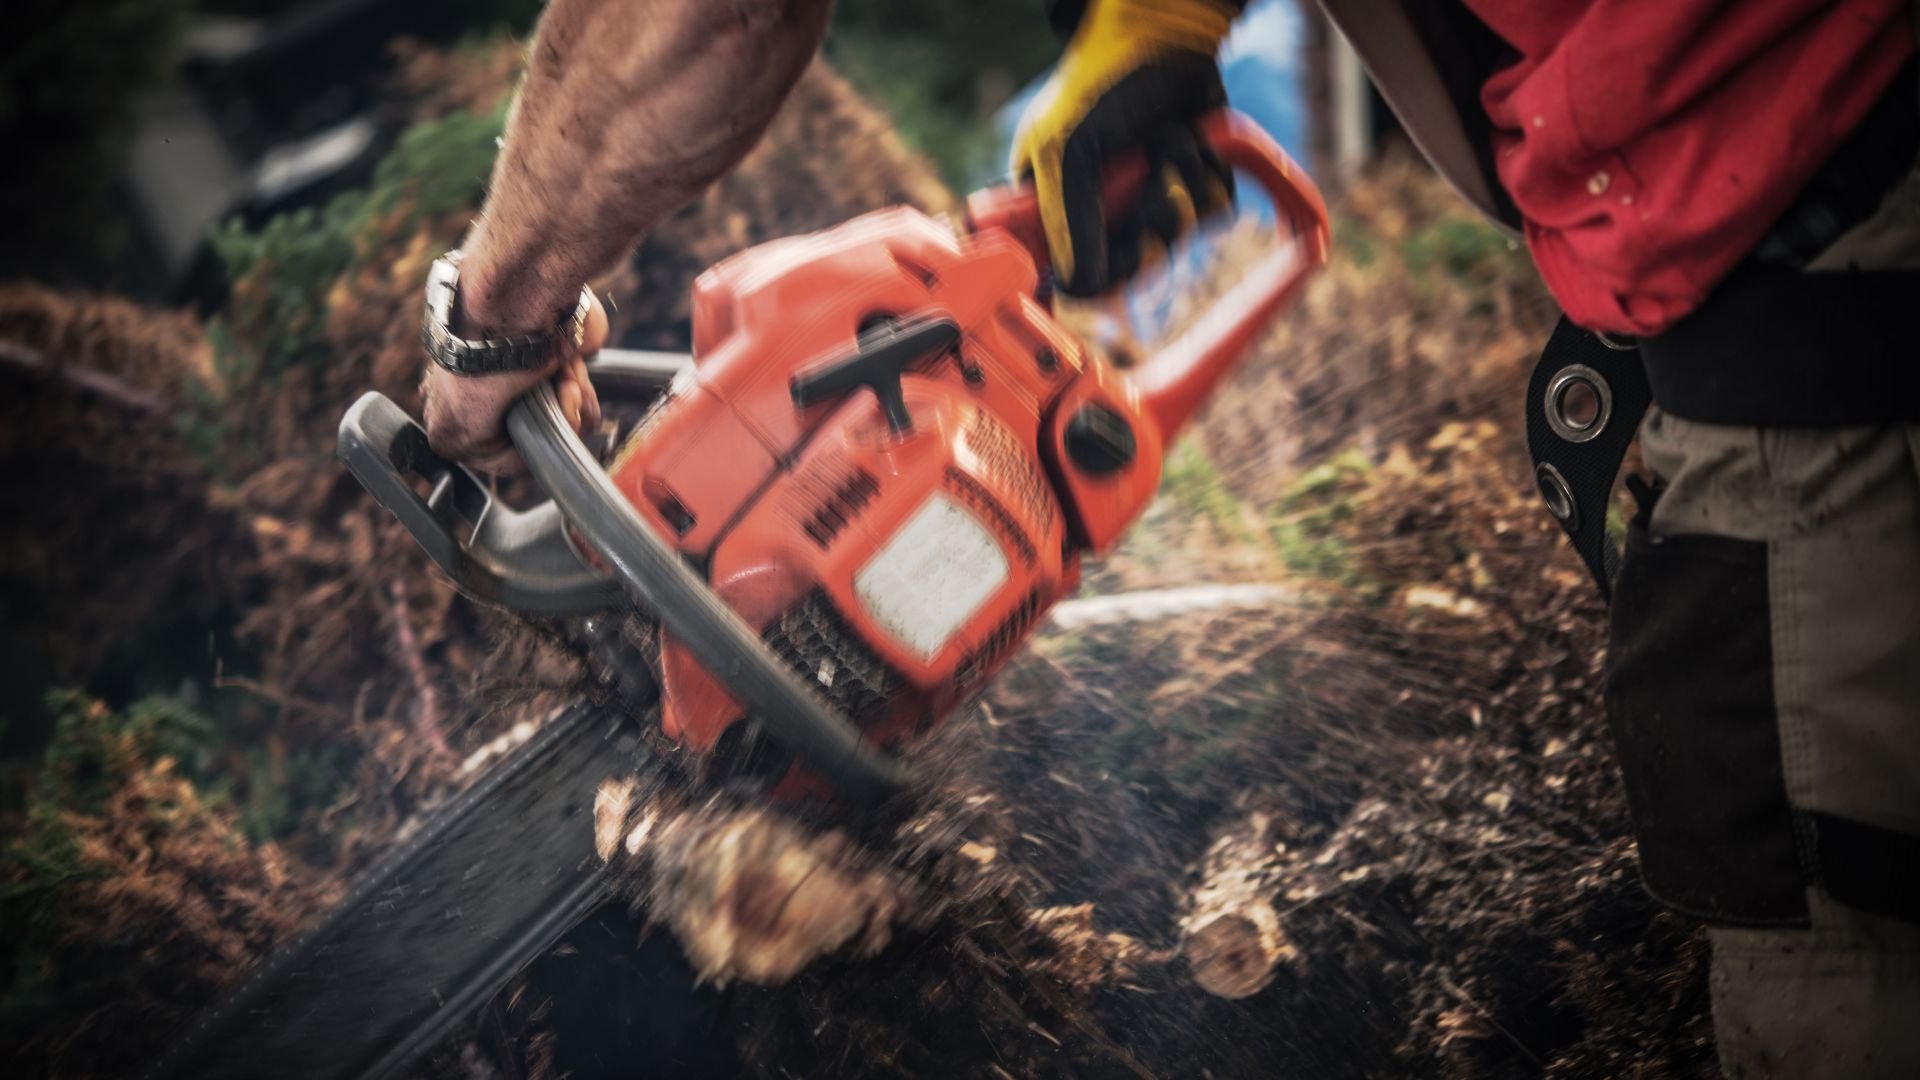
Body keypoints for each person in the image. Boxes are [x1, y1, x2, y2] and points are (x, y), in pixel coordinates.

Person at [418, 1, 1920, 1074]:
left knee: (1843, 960)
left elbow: (704, 18)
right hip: (1812, 216)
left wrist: (493, 323)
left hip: (1835, 250)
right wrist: (1170, 18)